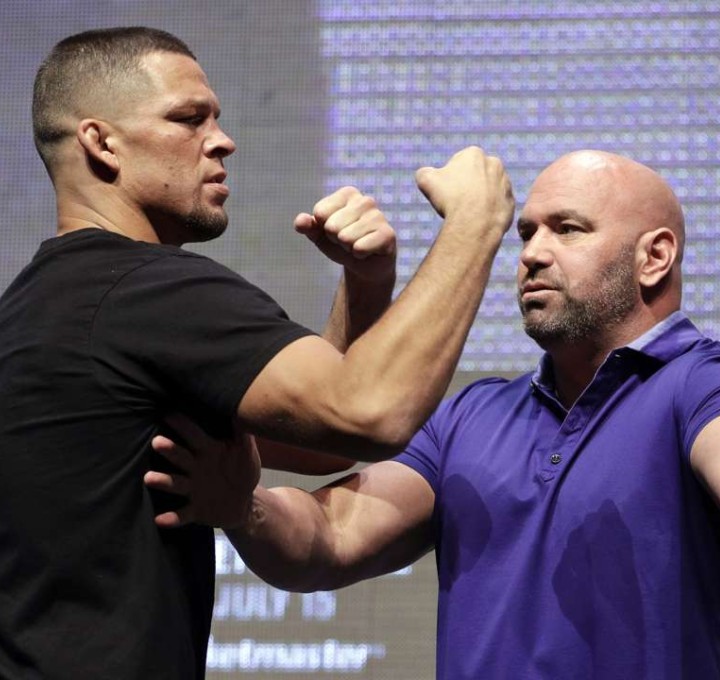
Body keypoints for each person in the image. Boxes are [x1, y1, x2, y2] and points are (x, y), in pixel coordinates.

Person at [151, 150, 720, 679]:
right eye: (526, 233)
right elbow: (331, 537)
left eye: (566, 230)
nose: (533, 254)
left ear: (655, 257)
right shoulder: (474, 414)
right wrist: (240, 508)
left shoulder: (706, 382)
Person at [0, 26, 514, 679]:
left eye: (215, 117)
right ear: (101, 144)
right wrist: (474, 225)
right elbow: (372, 414)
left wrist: (366, 283)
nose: (221, 140)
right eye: (187, 119)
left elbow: (321, 445)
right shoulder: (150, 293)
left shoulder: (39, 305)